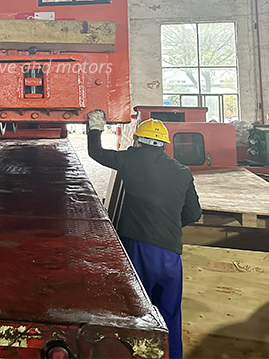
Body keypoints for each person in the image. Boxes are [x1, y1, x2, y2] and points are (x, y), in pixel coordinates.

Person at [86, 109, 201, 359]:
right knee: (170, 314)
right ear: (163, 145)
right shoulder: (182, 171)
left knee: (136, 312)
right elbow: (194, 213)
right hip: (171, 254)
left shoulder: (132, 160)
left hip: (139, 249)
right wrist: (166, 226)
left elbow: (96, 153)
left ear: (138, 140)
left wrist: (95, 127)